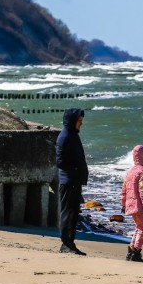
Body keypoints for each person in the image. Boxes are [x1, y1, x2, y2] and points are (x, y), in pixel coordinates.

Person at [55, 108, 89, 256]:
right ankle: (66, 243)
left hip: (74, 181)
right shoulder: (65, 136)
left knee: (73, 213)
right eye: (79, 121)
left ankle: (70, 243)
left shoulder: (72, 135)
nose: (81, 124)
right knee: (68, 213)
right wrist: (75, 172)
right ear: (72, 121)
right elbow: (60, 161)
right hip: (69, 181)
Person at [121, 145, 143, 262]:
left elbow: (124, 189)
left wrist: (123, 204)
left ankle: (131, 250)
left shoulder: (131, 171)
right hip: (139, 205)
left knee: (138, 227)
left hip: (130, 204)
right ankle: (136, 252)